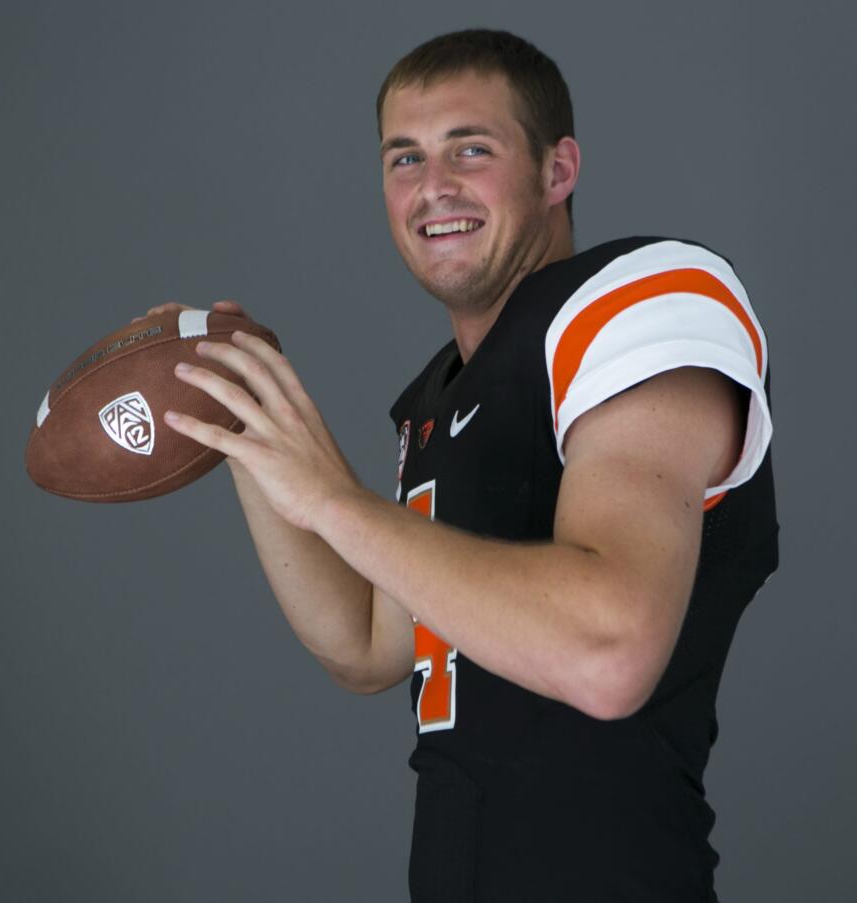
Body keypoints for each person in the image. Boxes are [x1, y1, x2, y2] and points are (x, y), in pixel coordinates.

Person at [154, 28, 778, 903]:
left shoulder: (645, 298)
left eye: (470, 150)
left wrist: (334, 499)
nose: (432, 187)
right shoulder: (441, 396)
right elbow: (372, 646)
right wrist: (247, 423)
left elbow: (609, 650)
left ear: (558, 171)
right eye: (403, 159)